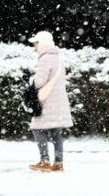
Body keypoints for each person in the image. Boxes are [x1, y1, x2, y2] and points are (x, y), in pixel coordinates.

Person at [26, 30, 72, 172]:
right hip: (58, 101)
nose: (34, 46)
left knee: (37, 128)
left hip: (46, 102)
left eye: (36, 43)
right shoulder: (58, 58)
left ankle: (44, 160)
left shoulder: (45, 59)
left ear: (42, 43)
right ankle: (58, 163)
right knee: (55, 132)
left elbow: (39, 82)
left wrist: (30, 80)